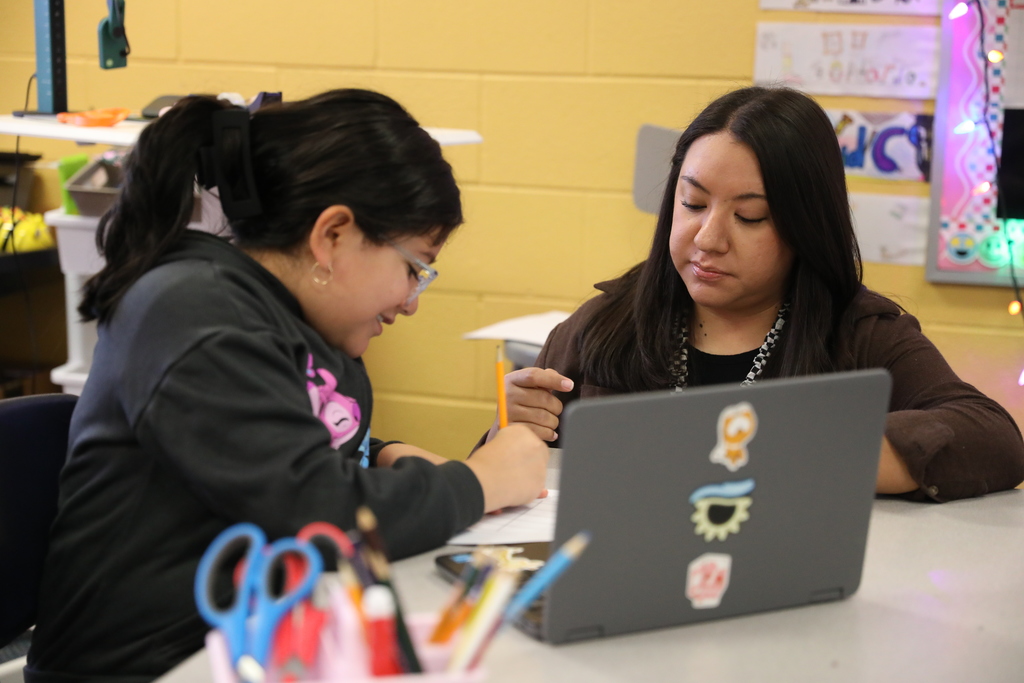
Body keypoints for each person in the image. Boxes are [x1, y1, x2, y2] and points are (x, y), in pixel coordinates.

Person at [27, 90, 548, 683]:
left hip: (256, 642)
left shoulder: (279, 313)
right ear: (332, 235)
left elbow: (282, 439)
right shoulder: (196, 315)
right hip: (155, 667)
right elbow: (315, 514)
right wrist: (476, 483)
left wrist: (383, 453)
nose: (411, 301)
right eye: (414, 267)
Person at [482, 86, 1024, 503]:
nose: (708, 238)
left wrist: (793, 454)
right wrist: (511, 429)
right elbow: (502, 485)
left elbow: (993, 439)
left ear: (805, 227)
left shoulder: (861, 333)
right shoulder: (603, 324)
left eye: (750, 216)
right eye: (692, 204)